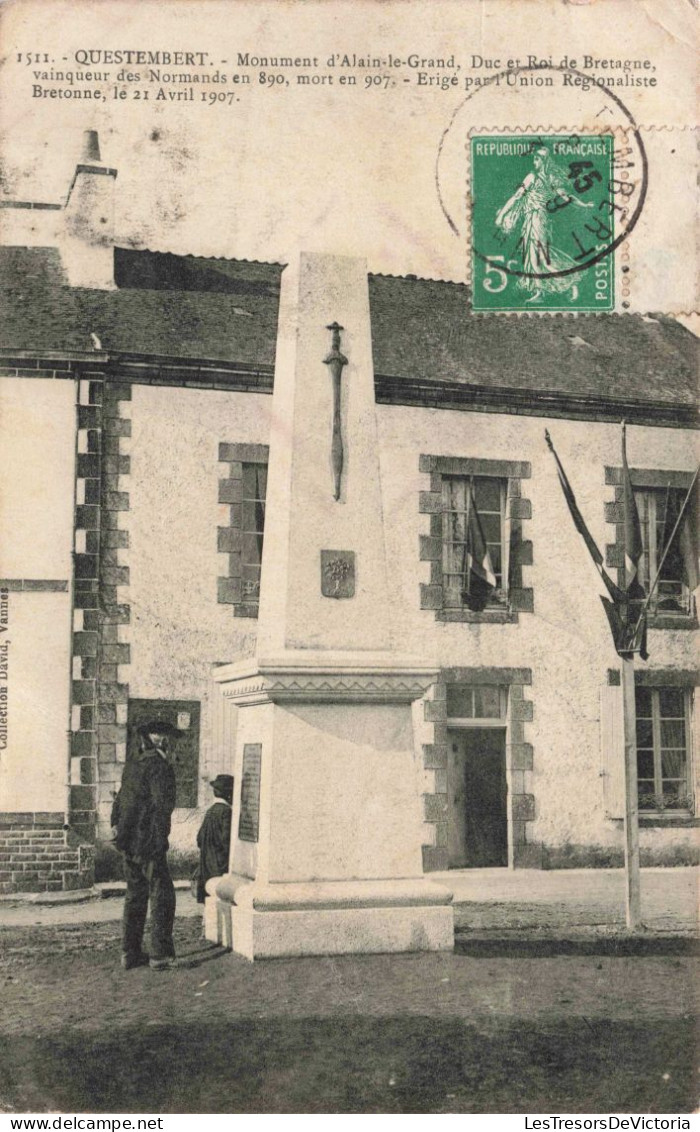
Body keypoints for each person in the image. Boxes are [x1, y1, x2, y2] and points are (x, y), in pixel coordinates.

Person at [111, 720, 179, 971]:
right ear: (161, 740)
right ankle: (160, 954)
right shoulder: (159, 767)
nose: (170, 742)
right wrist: (160, 841)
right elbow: (162, 808)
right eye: (167, 736)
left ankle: (129, 953)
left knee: (135, 896)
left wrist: (118, 830)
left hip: (128, 841)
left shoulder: (133, 765)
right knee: (162, 896)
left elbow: (120, 801)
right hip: (149, 842)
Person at [495, 147, 594, 304]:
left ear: (545, 161)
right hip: (534, 220)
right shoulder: (548, 179)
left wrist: (501, 215)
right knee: (536, 254)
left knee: (538, 255)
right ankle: (542, 291)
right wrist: (584, 205)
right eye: (534, 158)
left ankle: (566, 283)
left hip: (538, 219)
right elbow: (518, 197)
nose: (535, 161)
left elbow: (566, 198)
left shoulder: (535, 177)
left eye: (538, 159)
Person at [195, 774, 234, 908]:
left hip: (207, 867)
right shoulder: (226, 812)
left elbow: (199, 839)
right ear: (229, 795)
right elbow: (226, 842)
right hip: (219, 867)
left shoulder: (210, 811)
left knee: (209, 905)